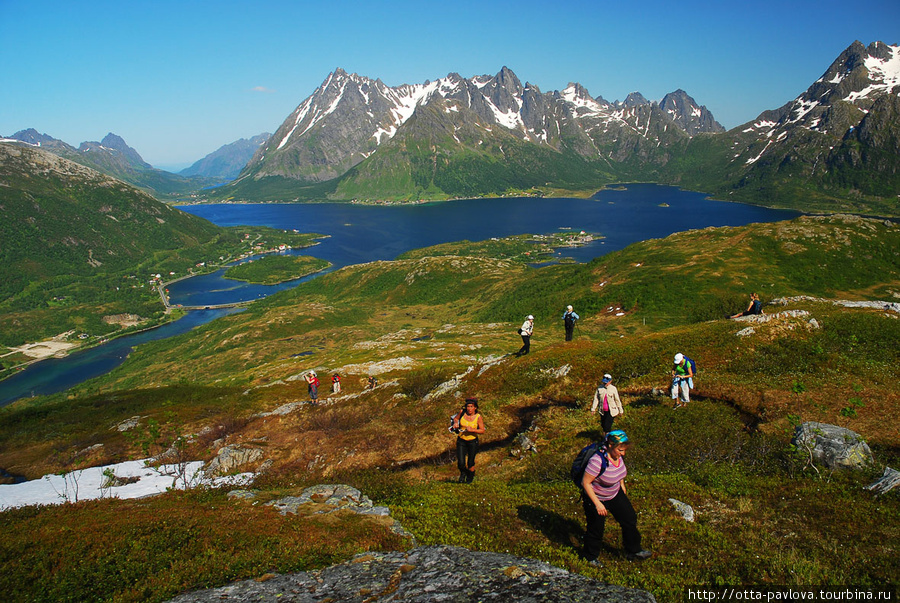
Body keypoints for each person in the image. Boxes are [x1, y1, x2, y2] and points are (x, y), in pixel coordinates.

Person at [581, 430, 652, 563]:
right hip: (597, 497)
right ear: (610, 446)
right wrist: (598, 504)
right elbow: (585, 483)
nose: (623, 453)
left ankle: (634, 550)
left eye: (624, 450)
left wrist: (621, 484)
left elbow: (619, 470)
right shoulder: (597, 461)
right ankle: (590, 557)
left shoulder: (618, 456)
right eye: (620, 450)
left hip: (614, 493)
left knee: (629, 518)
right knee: (596, 528)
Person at [451, 398, 485, 483]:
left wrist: (473, 430)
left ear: (475, 408)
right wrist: (456, 423)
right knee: (461, 463)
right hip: (461, 440)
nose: (469, 408)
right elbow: (455, 419)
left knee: (470, 462)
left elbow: (482, 430)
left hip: (472, 441)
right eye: (468, 406)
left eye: (471, 406)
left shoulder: (478, 417)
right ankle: (463, 473)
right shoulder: (462, 412)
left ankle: (469, 479)